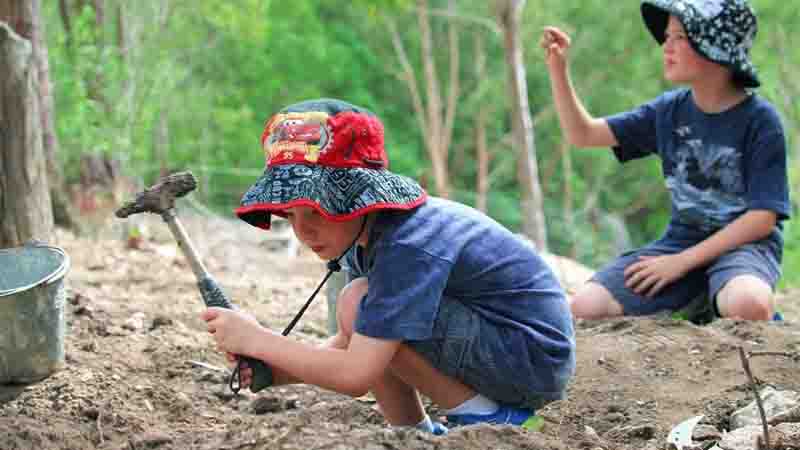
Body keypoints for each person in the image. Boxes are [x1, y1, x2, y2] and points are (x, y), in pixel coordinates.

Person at [201, 98, 575, 434]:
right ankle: (413, 434)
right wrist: (275, 370)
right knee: (361, 309)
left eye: (316, 209)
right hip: (503, 346)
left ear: (361, 195)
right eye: (290, 214)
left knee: (356, 301)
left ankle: (488, 415)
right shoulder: (363, 235)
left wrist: (259, 339)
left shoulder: (408, 243)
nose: (303, 230)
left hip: (532, 358)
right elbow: (357, 343)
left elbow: (355, 374)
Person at [540, 0, 790, 322]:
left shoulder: (761, 122)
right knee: (585, 307)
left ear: (716, 48)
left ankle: (721, 297)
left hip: (745, 248)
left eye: (680, 38)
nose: (666, 47)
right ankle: (700, 300)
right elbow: (584, 134)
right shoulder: (668, 111)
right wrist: (558, 70)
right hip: (681, 242)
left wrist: (682, 263)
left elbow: (762, 219)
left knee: (748, 304)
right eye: (666, 37)